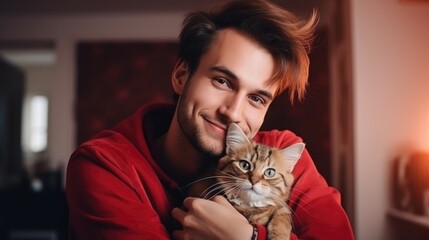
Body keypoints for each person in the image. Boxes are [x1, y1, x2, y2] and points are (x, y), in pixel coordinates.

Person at [65, 0, 355, 239]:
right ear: (181, 76)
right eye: (222, 81)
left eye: (256, 98)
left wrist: (248, 237)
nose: (233, 112)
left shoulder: (281, 151)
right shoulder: (102, 166)